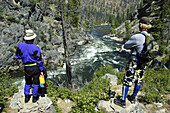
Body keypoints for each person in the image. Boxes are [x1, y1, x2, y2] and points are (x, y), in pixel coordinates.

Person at [114, 17, 152, 108]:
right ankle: (133, 97)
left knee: (127, 80)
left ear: (140, 25)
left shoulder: (137, 37)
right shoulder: (150, 37)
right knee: (139, 80)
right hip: (143, 63)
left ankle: (122, 101)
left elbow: (126, 45)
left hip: (134, 62)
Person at [16, 29, 44, 103]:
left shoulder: (20, 46)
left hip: (26, 67)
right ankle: (34, 98)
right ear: (33, 39)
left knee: (28, 81)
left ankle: (26, 96)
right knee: (35, 82)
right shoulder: (36, 48)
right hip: (35, 67)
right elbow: (39, 60)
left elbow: (18, 56)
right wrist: (41, 69)